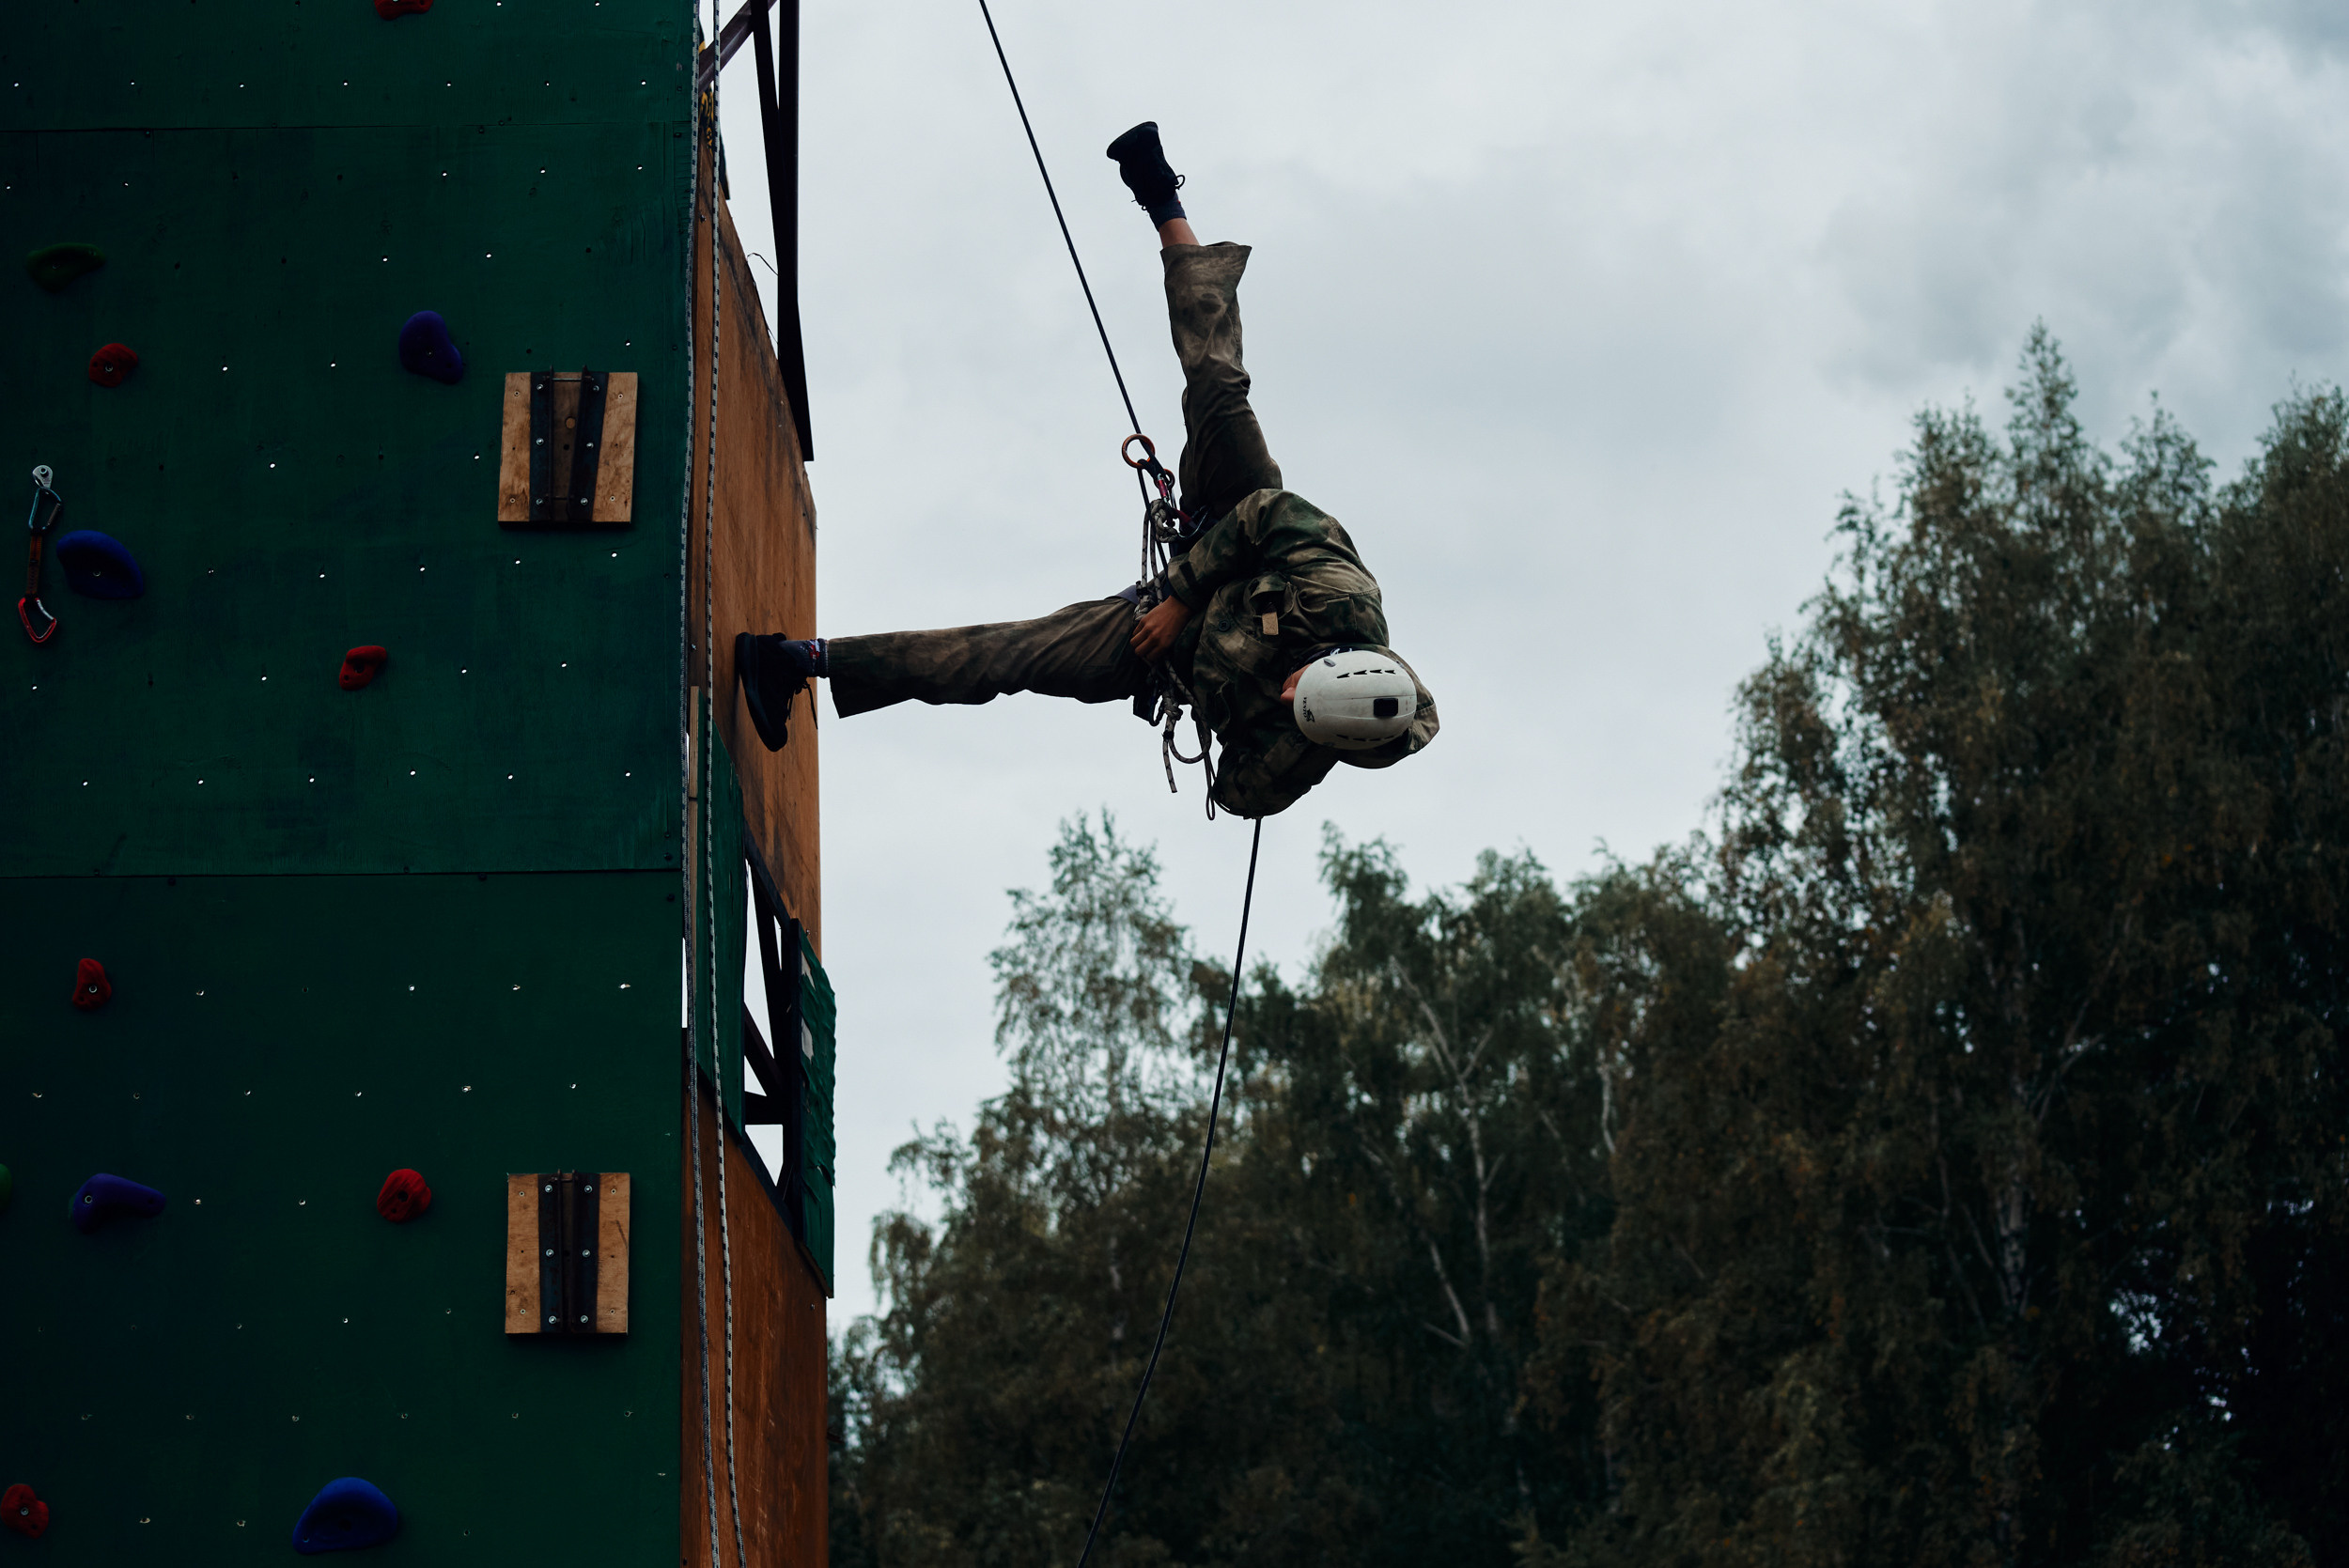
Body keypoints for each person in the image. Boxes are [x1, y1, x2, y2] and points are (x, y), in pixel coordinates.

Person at [735, 122, 1438, 818]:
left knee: (1008, 657)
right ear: (1338, 655)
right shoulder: (1340, 591)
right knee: (1218, 388)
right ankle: (1161, 197)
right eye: (1300, 683)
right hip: (1235, 516)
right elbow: (1267, 518)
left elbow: (1237, 794)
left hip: (1159, 651)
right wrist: (1184, 596)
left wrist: (1293, 742)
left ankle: (796, 661)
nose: (1284, 693)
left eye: (1295, 707)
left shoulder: (1318, 740)